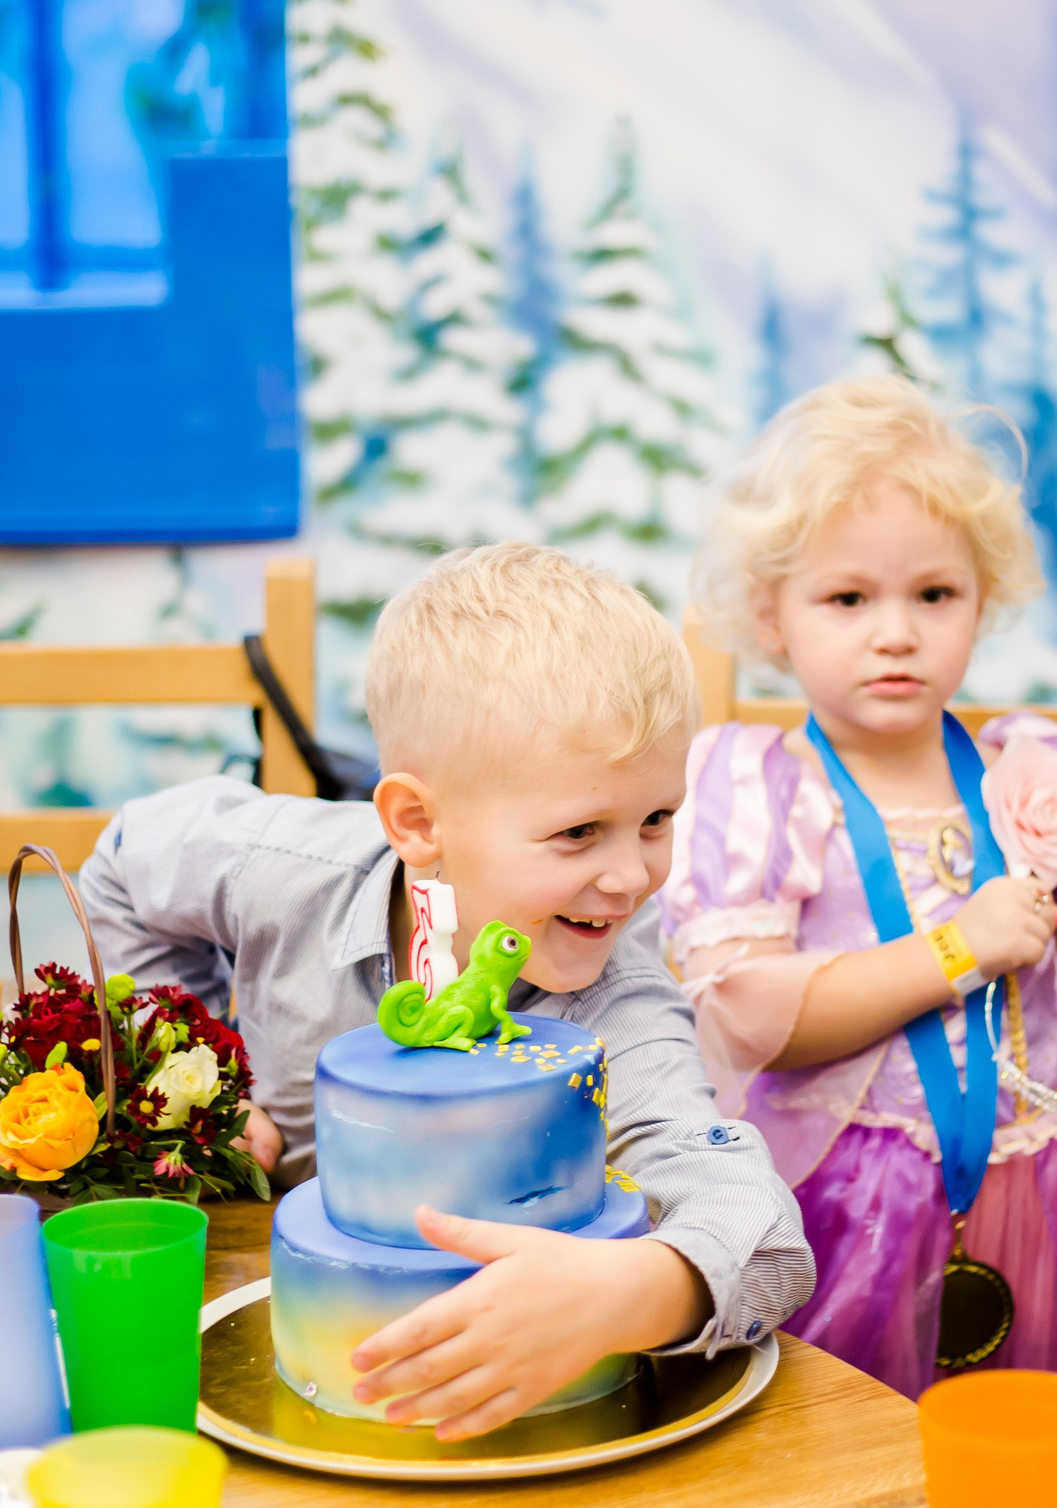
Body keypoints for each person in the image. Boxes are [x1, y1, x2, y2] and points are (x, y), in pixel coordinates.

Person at [78, 542, 814, 1442]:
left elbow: (765, 1234)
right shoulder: (285, 872)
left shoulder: (615, 1003)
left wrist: (636, 1291)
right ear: (418, 822)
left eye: (656, 818)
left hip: (517, 1412)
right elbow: (122, 864)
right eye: (580, 831)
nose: (631, 876)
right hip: (258, 1325)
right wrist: (191, 1067)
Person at [659, 375, 1057, 1405]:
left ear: (980, 600)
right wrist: (960, 948)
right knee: (844, 1449)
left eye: (934, 595)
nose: (896, 632)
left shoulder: (1032, 776)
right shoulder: (765, 790)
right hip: (853, 1203)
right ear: (772, 616)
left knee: (1052, 1441)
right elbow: (754, 1019)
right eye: (848, 598)